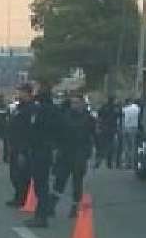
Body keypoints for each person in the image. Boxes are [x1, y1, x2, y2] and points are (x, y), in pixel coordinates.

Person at [50, 92, 96, 218]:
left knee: (77, 182)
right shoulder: (65, 116)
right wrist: (55, 148)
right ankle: (51, 205)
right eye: (72, 103)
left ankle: (75, 207)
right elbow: (58, 133)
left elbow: (93, 136)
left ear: (82, 103)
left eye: (76, 103)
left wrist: (92, 154)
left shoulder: (89, 119)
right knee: (59, 179)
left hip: (80, 153)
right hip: (65, 152)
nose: (74, 105)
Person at [23, 85, 59, 228]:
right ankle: (43, 212)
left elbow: (34, 129)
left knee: (40, 185)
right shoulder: (55, 111)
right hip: (47, 149)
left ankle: (41, 216)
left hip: (40, 150)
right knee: (41, 184)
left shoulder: (41, 111)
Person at [6, 84, 34, 208]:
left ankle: (22, 198)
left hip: (23, 147)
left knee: (21, 175)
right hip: (14, 145)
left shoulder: (30, 109)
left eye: (21, 92)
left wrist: (24, 150)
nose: (18, 94)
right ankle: (18, 197)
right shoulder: (19, 108)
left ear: (27, 93)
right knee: (14, 174)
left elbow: (28, 131)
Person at [95, 96, 121, 169]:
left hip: (104, 128)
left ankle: (98, 161)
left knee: (101, 146)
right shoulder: (116, 108)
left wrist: (98, 126)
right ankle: (109, 163)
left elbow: (99, 116)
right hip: (112, 129)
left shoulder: (103, 107)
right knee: (111, 146)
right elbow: (119, 116)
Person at [121, 99, 140, 169]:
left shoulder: (125, 109)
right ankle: (132, 164)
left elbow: (122, 117)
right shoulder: (138, 109)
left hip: (126, 128)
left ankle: (126, 163)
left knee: (126, 146)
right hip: (134, 128)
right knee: (133, 146)